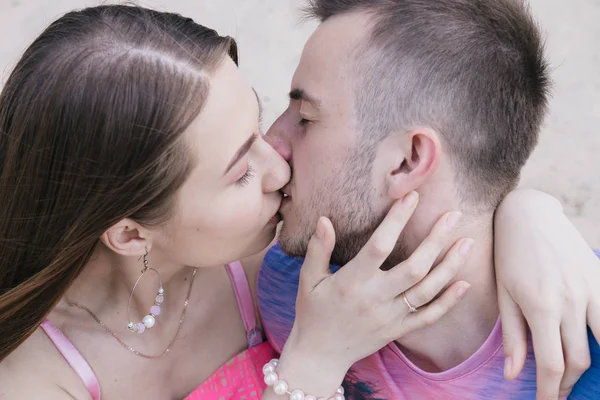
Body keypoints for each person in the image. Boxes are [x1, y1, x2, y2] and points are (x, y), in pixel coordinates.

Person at [0, 4, 597, 400]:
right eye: (238, 173)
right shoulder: (288, 276)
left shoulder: (276, 259)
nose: (278, 159)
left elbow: (455, 164)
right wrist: (311, 363)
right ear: (130, 235)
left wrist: (529, 211)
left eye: (293, 118)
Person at [258, 0, 600, 399]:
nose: (271, 143)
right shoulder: (289, 290)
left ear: (408, 160)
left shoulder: (585, 334)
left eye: (306, 118)